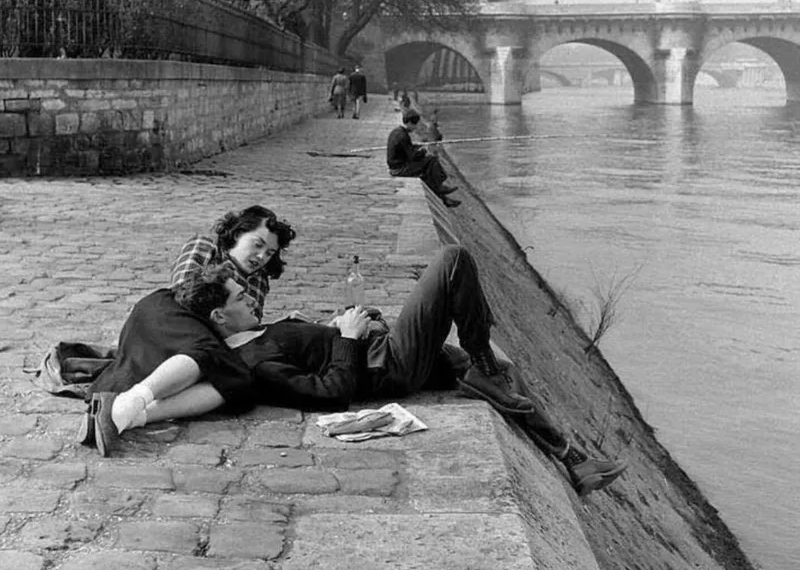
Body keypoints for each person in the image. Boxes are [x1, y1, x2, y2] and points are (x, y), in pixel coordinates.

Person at [192, 246, 628, 496]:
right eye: (239, 299)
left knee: (501, 374)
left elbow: (319, 354)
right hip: (391, 367)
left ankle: (574, 460)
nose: (251, 298)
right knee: (453, 261)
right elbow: (330, 392)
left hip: (380, 348)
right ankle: (482, 363)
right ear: (219, 316)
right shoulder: (256, 360)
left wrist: (341, 325)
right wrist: (346, 335)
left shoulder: (258, 333)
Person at [81, 206, 297, 456]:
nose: (261, 256)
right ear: (236, 234)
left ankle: (126, 414)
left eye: (269, 252)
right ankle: (125, 407)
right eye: (257, 244)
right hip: (168, 316)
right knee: (212, 357)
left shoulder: (259, 280)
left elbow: (243, 327)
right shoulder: (206, 247)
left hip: (203, 338)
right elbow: (189, 297)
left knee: (236, 383)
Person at [386, 108, 461, 208]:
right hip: (399, 169)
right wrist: (424, 150)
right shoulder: (403, 136)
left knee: (427, 174)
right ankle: (440, 186)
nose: (416, 127)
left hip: (397, 166)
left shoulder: (396, 131)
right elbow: (413, 156)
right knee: (431, 160)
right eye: (414, 124)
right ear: (408, 122)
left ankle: (444, 198)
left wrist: (418, 147)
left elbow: (407, 149)